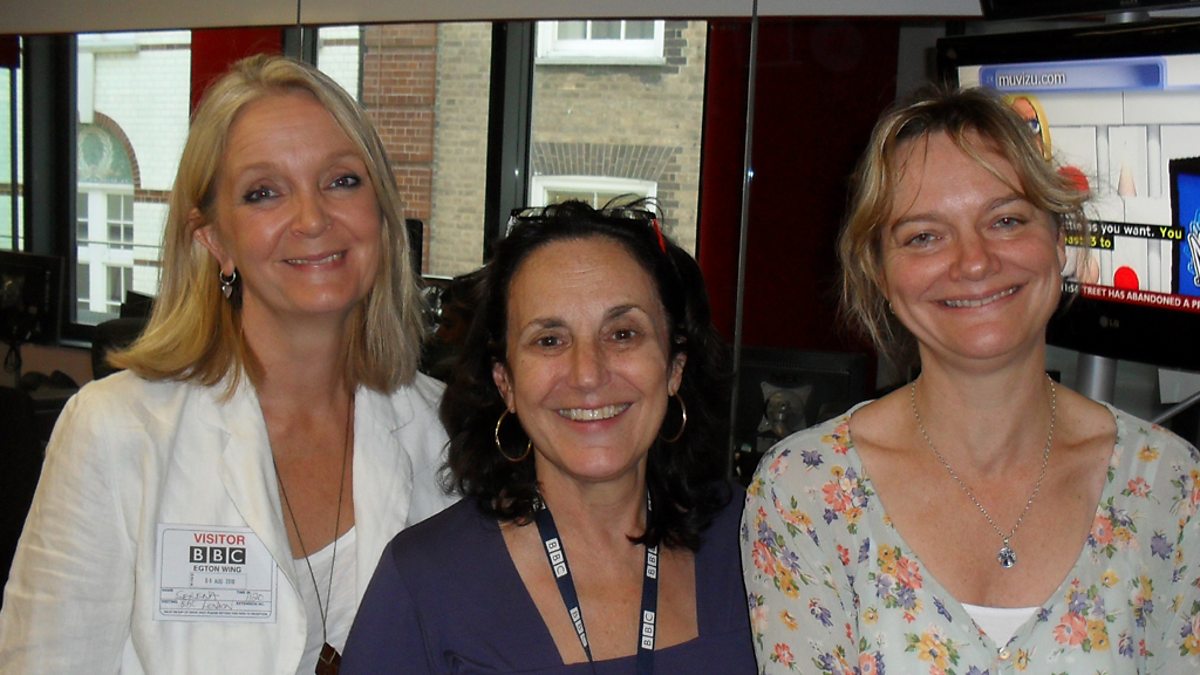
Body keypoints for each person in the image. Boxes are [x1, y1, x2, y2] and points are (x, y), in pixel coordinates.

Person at [0, 54, 457, 674]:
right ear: (215, 240)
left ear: (381, 213)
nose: (313, 218)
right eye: (263, 192)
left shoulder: (446, 433)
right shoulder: (114, 430)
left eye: (342, 180)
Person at [742, 86, 1200, 673]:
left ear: (1059, 240)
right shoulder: (803, 492)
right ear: (879, 272)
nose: (975, 262)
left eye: (1006, 220)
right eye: (925, 236)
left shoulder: (1171, 487)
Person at [340, 200, 755, 673]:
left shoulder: (758, 540)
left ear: (674, 369)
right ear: (506, 383)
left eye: (622, 333)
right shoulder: (425, 582)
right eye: (549, 340)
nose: (588, 374)